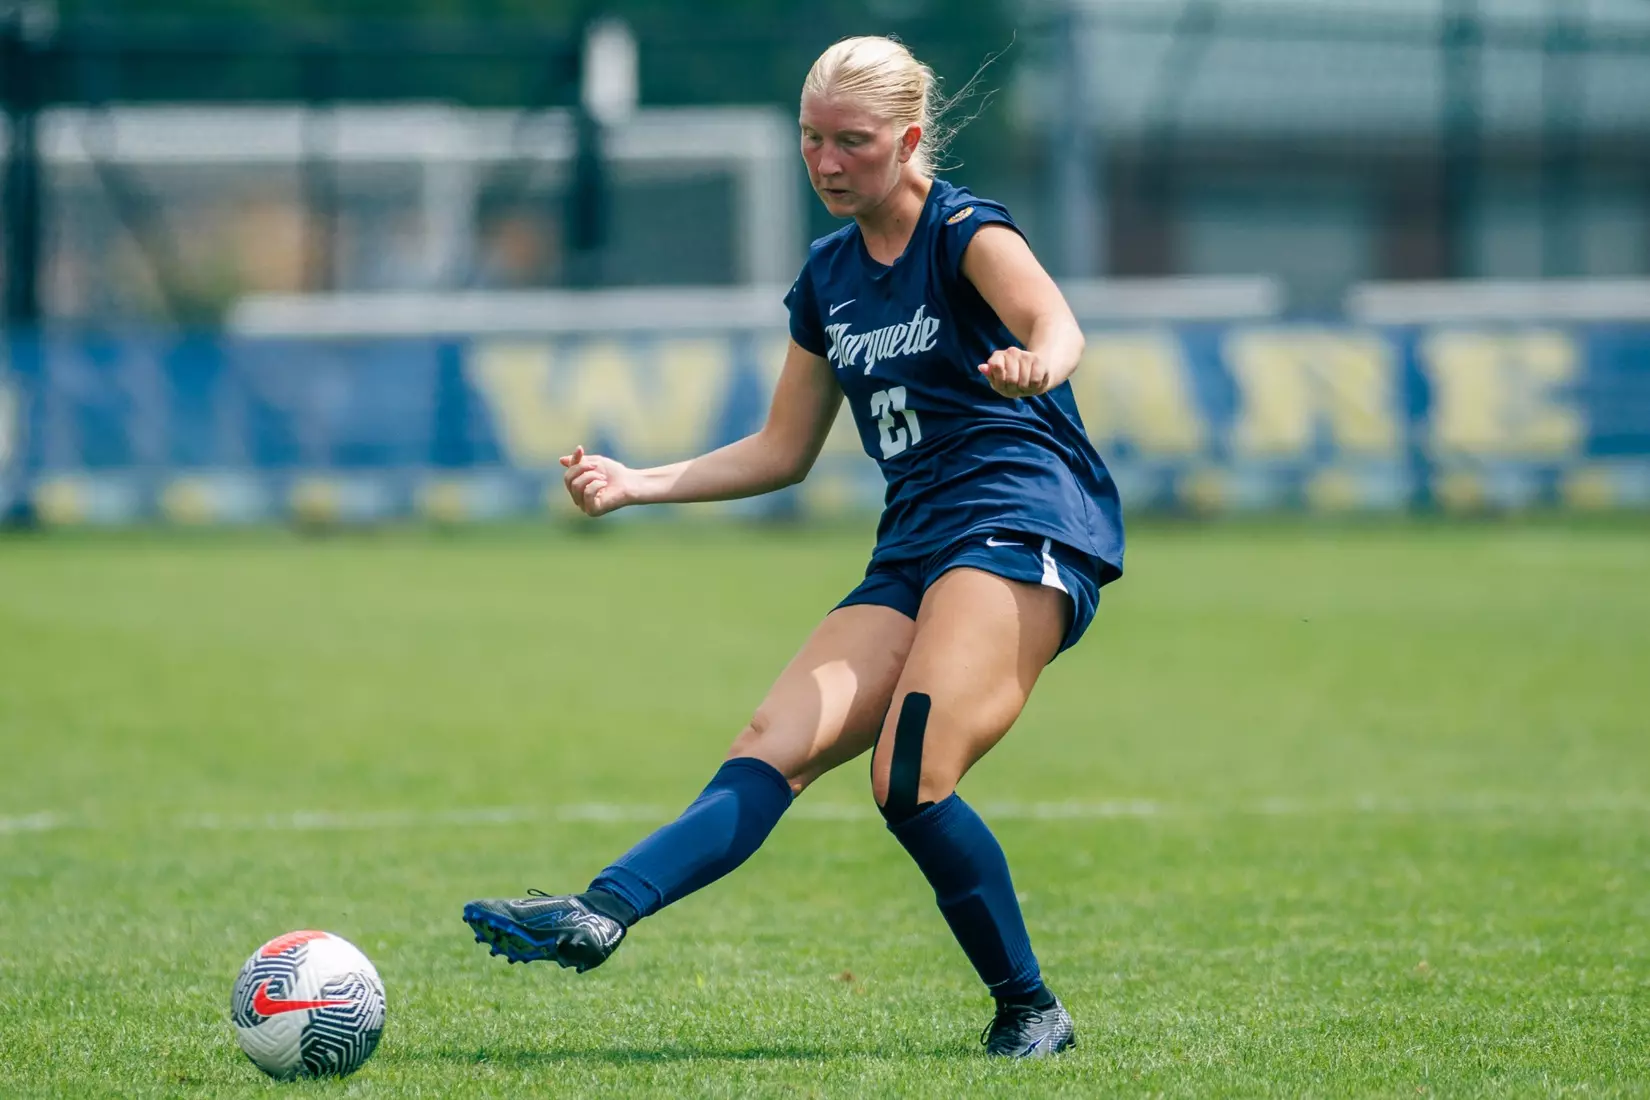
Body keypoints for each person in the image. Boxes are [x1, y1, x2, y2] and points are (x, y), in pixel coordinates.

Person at [463, 34, 1124, 1059]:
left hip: (1021, 517)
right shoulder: (828, 275)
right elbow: (784, 448)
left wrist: (1041, 361)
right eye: (810, 139)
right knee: (775, 738)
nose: (825, 162)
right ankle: (600, 909)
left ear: (909, 141)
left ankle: (1030, 1006)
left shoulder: (964, 233)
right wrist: (640, 481)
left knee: (910, 774)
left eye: (850, 142)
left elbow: (1058, 320)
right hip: (915, 541)